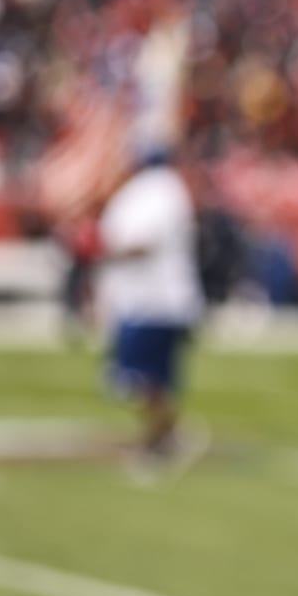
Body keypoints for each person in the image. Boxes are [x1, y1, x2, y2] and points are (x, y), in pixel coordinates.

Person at [95, 146, 205, 474]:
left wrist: (104, 252)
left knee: (138, 378)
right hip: (147, 300)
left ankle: (164, 438)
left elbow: (145, 242)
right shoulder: (155, 191)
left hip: (155, 302)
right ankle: (167, 434)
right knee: (140, 379)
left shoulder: (160, 191)